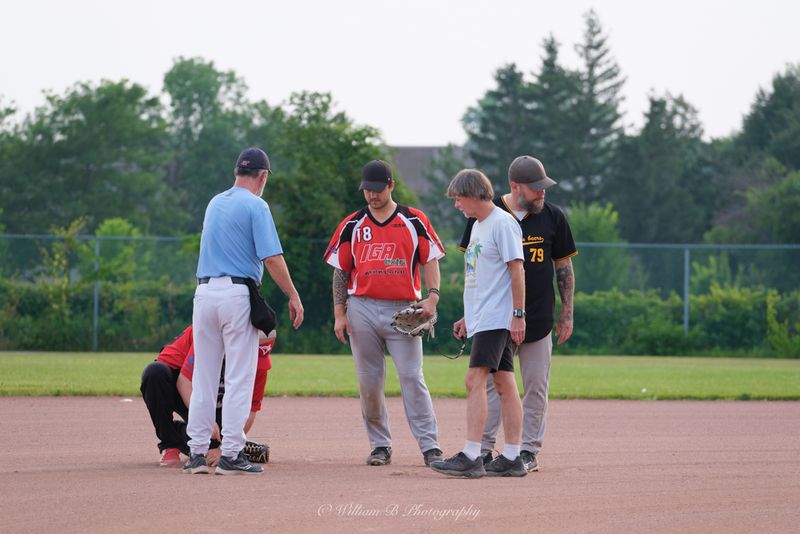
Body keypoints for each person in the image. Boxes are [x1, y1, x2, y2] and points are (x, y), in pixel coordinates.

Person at [185, 147, 304, 476]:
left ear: (236, 171)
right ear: (263, 177)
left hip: (203, 294)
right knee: (239, 377)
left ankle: (196, 453)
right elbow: (272, 258)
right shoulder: (256, 205)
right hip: (236, 294)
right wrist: (293, 295)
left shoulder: (214, 202)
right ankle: (231, 454)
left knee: (205, 377)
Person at [323, 159, 444, 467]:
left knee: (412, 377)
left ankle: (430, 446)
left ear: (391, 185)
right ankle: (380, 445)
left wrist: (433, 297)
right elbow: (341, 271)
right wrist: (339, 313)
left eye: (377, 189)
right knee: (369, 382)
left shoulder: (413, 219)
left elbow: (430, 259)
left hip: (403, 307)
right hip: (361, 307)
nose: (372, 195)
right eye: (367, 190)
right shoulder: (352, 224)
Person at [460, 156, 577, 473]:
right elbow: (474, 269)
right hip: (498, 318)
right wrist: (469, 313)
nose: (542, 192)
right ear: (515, 186)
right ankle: (484, 449)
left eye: (543, 186)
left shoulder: (553, 216)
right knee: (492, 386)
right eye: (536, 187)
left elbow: (563, 267)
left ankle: (527, 451)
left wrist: (567, 312)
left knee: (535, 387)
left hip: (537, 319)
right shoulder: (488, 213)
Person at [430, 169, 527, 478]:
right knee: (504, 383)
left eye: (459, 199)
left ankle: (472, 455)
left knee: (474, 380)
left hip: (497, 318)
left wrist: (519, 314)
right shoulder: (477, 226)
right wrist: (467, 317)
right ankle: (512, 457)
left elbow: (517, 270)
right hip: (483, 317)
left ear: (474, 194)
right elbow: (481, 278)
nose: (457, 205)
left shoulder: (502, 223)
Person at [140, 325, 276, 468]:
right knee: (154, 374)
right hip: (186, 391)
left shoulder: (259, 361)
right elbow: (184, 382)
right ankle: (170, 443)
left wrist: (223, 449)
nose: (253, 360)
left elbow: (250, 410)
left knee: (212, 445)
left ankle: (226, 445)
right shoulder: (211, 334)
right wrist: (205, 418)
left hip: (217, 403)